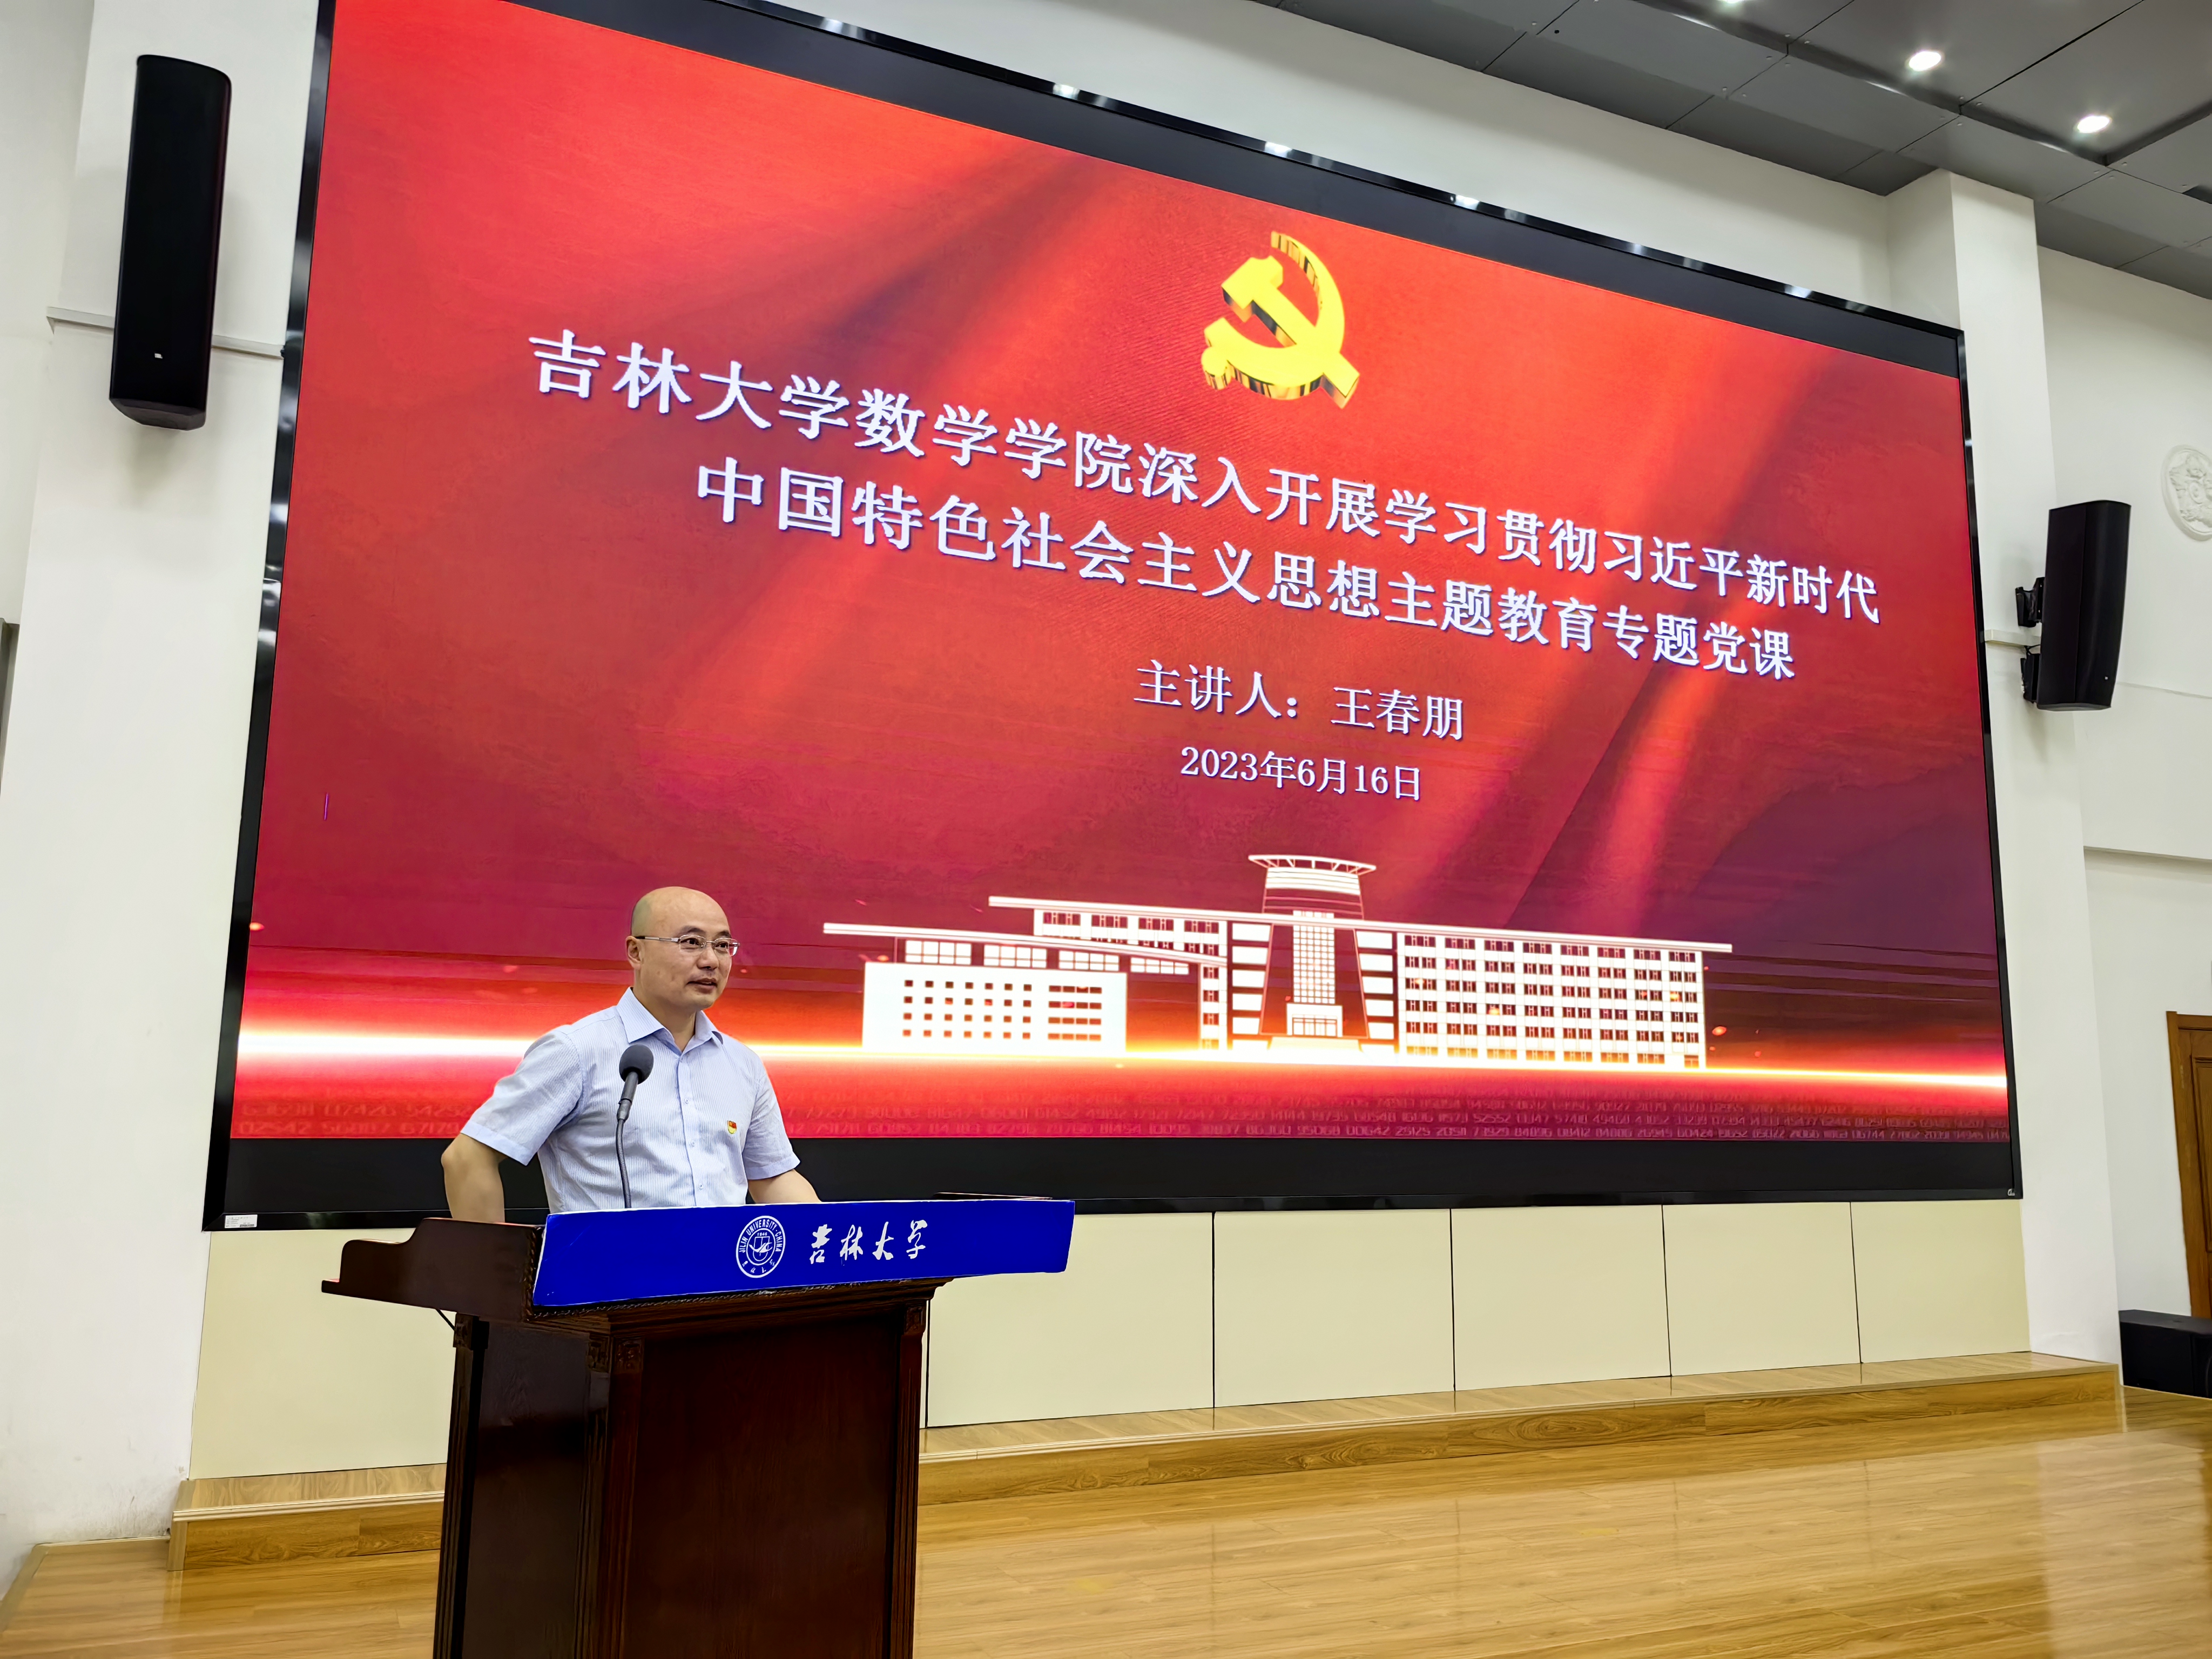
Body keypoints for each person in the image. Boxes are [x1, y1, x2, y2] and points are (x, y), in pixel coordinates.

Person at [441, 886, 820, 1220]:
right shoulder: (577, 1050)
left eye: (722, 946)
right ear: (636, 952)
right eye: (691, 942)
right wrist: (495, 1271)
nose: (711, 961)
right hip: (610, 1279)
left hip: (721, 1277)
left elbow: (772, 1178)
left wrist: (835, 1247)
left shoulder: (742, 1064)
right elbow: (467, 1158)